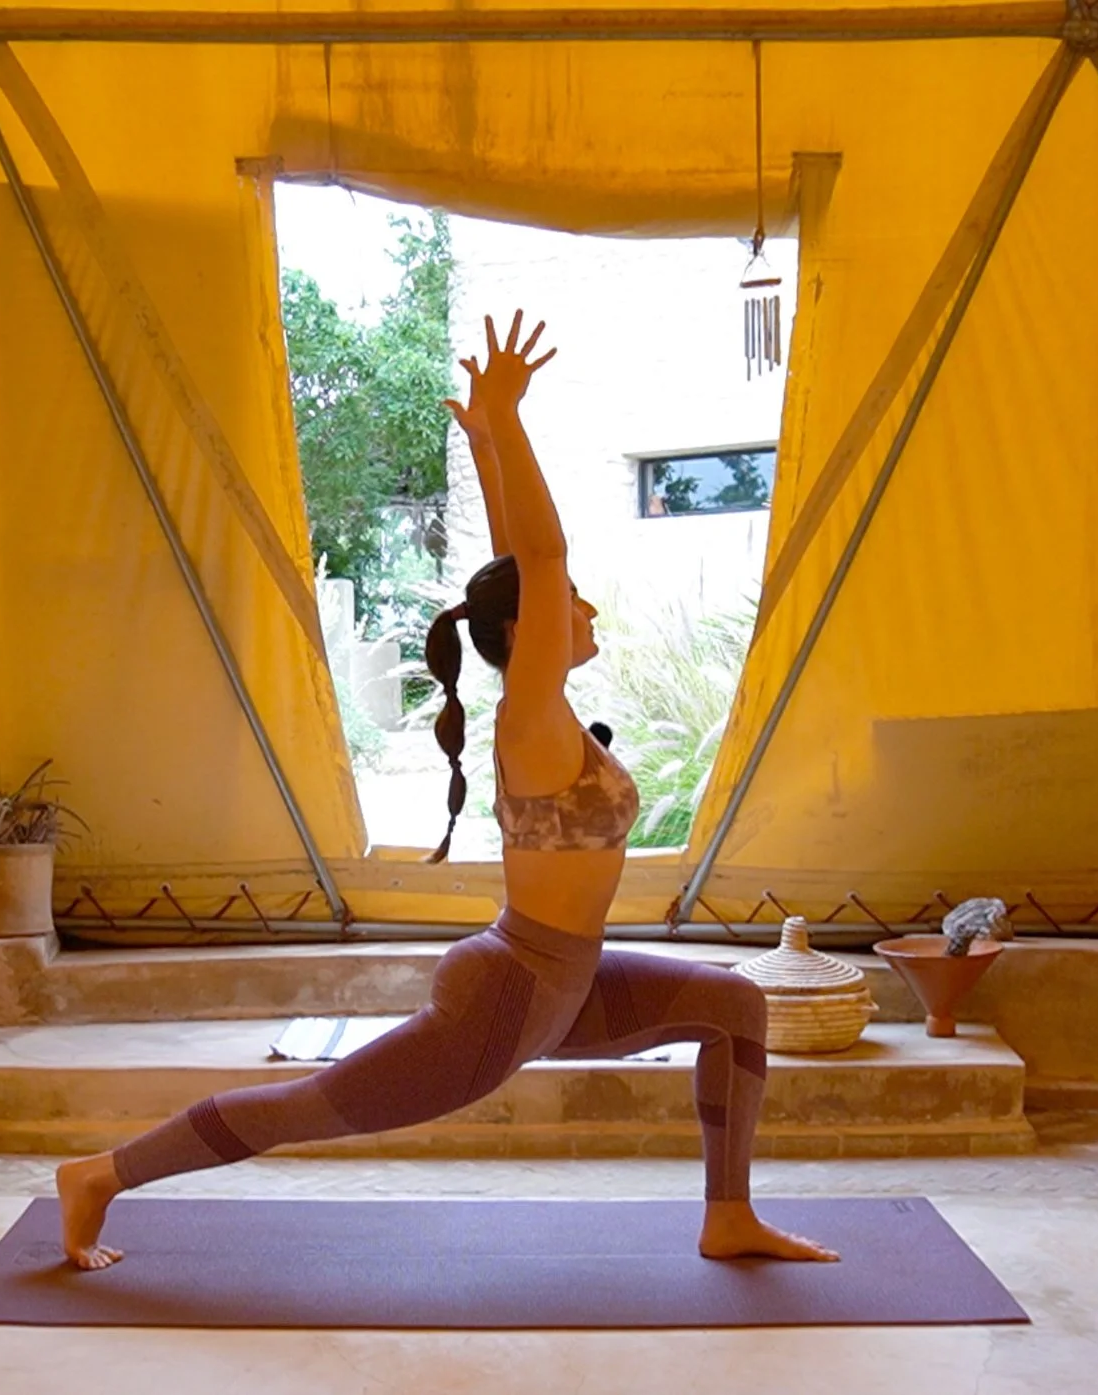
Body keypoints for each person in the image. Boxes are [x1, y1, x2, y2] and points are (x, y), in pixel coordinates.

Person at [51, 312, 836, 1270]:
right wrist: (508, 420)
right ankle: (100, 1174)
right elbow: (540, 567)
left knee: (735, 1006)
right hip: (508, 996)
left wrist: (486, 449)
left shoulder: (542, 705)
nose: (584, 607)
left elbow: (521, 567)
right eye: (569, 605)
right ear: (532, 631)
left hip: (566, 981)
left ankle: (728, 1215)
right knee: (309, 1107)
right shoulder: (531, 720)